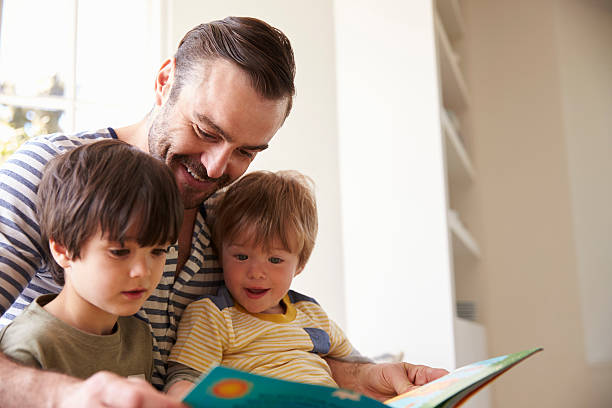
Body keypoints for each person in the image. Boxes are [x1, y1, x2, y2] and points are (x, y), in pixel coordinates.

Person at [0, 16, 446, 407]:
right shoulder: (50, 171)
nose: (215, 168)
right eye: (205, 130)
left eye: (246, 151)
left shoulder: (231, 212)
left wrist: (363, 377)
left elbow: (263, 343)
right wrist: (66, 396)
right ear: (164, 82)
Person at [164, 170, 363, 397]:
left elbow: (359, 366)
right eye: (241, 257)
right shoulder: (213, 315)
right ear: (220, 255)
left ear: (300, 264)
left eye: (275, 260)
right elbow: (184, 380)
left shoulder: (312, 313)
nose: (256, 273)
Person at [0, 139, 183, 381]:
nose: (142, 271)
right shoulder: (27, 347)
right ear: (63, 250)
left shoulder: (139, 337)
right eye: (119, 252)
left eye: (158, 251)